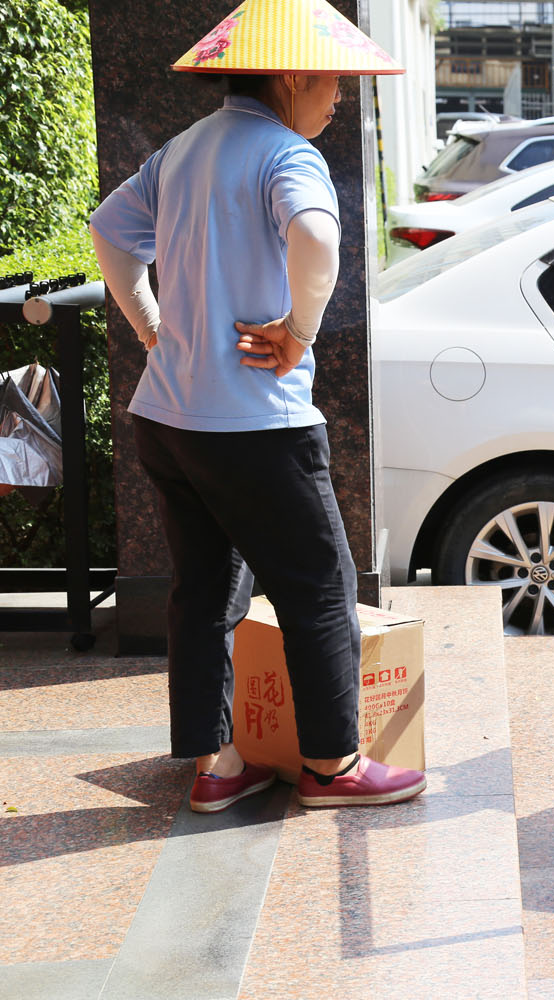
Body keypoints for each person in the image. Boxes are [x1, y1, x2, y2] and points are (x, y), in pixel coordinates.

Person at [90, 1, 424, 811]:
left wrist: (153, 328)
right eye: (332, 82)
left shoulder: (181, 149)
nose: (338, 98)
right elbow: (316, 238)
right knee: (319, 586)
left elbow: (108, 232)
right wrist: (299, 333)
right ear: (290, 76)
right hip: (254, 423)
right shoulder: (287, 154)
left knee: (203, 591)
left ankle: (215, 766)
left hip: (167, 416)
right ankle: (333, 767)